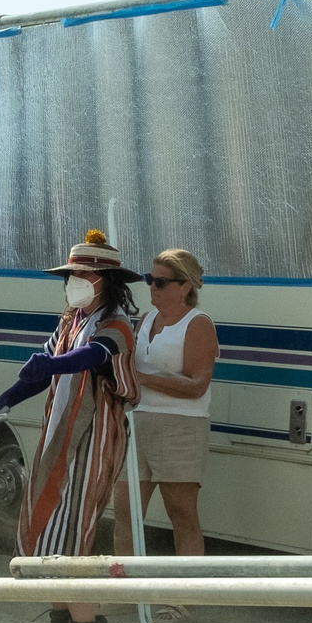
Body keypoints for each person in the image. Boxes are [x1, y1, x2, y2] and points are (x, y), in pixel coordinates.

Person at [0, 231, 141, 623]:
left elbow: (95, 355)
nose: (74, 281)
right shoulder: (70, 321)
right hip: (60, 437)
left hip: (94, 438)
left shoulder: (118, 321)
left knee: (72, 536)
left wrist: (53, 365)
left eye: (82, 274)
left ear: (105, 279)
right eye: (70, 274)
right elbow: (38, 373)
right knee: (47, 523)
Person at [112, 249, 219, 594]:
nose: (152, 287)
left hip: (181, 427)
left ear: (185, 286)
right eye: (149, 279)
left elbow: (197, 385)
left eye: (160, 281)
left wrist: (141, 379)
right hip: (137, 423)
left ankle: (185, 597)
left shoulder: (198, 323)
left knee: (181, 515)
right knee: (126, 513)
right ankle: (124, 592)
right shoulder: (144, 321)